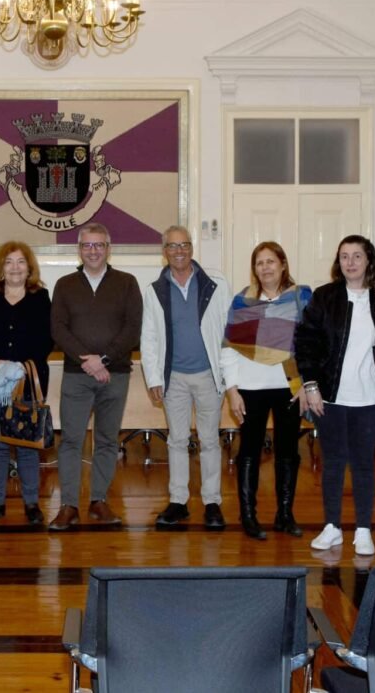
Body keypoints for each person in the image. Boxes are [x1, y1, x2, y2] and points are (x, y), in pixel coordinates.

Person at [294, 236, 375, 556]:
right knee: (332, 462)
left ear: (369, 260)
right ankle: (332, 526)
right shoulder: (325, 297)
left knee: (363, 464)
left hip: (371, 398)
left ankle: (363, 530)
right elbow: (305, 342)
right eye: (344, 256)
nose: (350, 262)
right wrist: (310, 386)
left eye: (357, 256)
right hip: (331, 396)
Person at [48, 223, 143, 531]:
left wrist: (102, 360)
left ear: (108, 247)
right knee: (71, 441)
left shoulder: (127, 283)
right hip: (77, 374)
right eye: (87, 245)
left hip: (115, 374)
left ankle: (99, 501)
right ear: (80, 249)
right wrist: (87, 360)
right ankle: (69, 506)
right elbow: (58, 329)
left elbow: (132, 329)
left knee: (106, 440)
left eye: (99, 245)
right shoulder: (64, 284)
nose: (93, 250)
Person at [220, 241, 312, 541]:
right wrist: (232, 390)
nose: (265, 267)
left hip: (290, 387)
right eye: (260, 263)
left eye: (271, 261)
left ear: (283, 264)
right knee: (249, 450)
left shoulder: (301, 299)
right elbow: (228, 349)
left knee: (288, 451)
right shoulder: (242, 302)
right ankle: (248, 516)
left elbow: (313, 344)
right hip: (250, 388)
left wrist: (308, 384)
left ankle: (285, 515)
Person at [141, 226, 231, 530]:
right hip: (173, 378)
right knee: (177, 440)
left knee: (209, 441)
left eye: (185, 245)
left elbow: (228, 332)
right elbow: (149, 337)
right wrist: (154, 377)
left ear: (192, 249)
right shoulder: (155, 290)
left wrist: (229, 375)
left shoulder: (216, 284)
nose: (179, 251)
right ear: (164, 251)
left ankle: (212, 503)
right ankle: (178, 501)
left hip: (209, 376)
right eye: (172, 246)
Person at [0, 241, 53, 526]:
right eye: (9, 262)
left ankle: (31, 503)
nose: (15, 267)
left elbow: (47, 338)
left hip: (26, 384)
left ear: (29, 268)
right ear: (0, 268)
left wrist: (21, 366)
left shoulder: (41, 297)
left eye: (21, 262)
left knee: (27, 445)